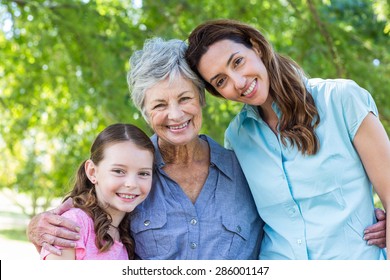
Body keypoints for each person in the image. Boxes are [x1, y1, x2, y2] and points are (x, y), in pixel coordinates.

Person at [27, 38, 263, 260]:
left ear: (201, 98)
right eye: (160, 104)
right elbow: (83, 219)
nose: (176, 115)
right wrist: (37, 226)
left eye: (185, 99)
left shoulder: (246, 168)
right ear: (146, 114)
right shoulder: (131, 176)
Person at [185, 19, 389, 259]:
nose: (238, 82)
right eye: (221, 81)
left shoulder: (342, 100)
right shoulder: (236, 137)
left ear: (256, 47)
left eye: (238, 62)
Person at [40, 123, 155, 260]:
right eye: (118, 171)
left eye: (143, 173)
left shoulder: (128, 234)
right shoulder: (73, 224)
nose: (131, 184)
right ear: (92, 172)